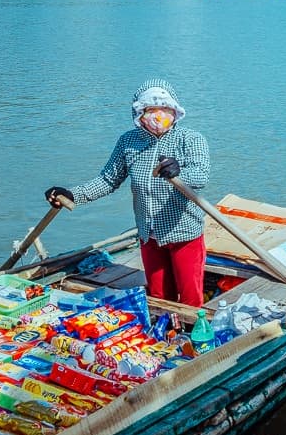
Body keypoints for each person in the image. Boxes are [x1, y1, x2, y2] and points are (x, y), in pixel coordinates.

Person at [45, 78, 211, 306]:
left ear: (174, 110)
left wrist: (178, 172)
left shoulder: (190, 139)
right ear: (140, 113)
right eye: (151, 110)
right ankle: (166, 335)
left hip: (184, 233)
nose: (158, 116)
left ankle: (195, 336)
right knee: (159, 297)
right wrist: (73, 194)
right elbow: (107, 180)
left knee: (191, 298)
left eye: (164, 109)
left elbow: (201, 176)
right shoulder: (128, 142)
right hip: (148, 235)